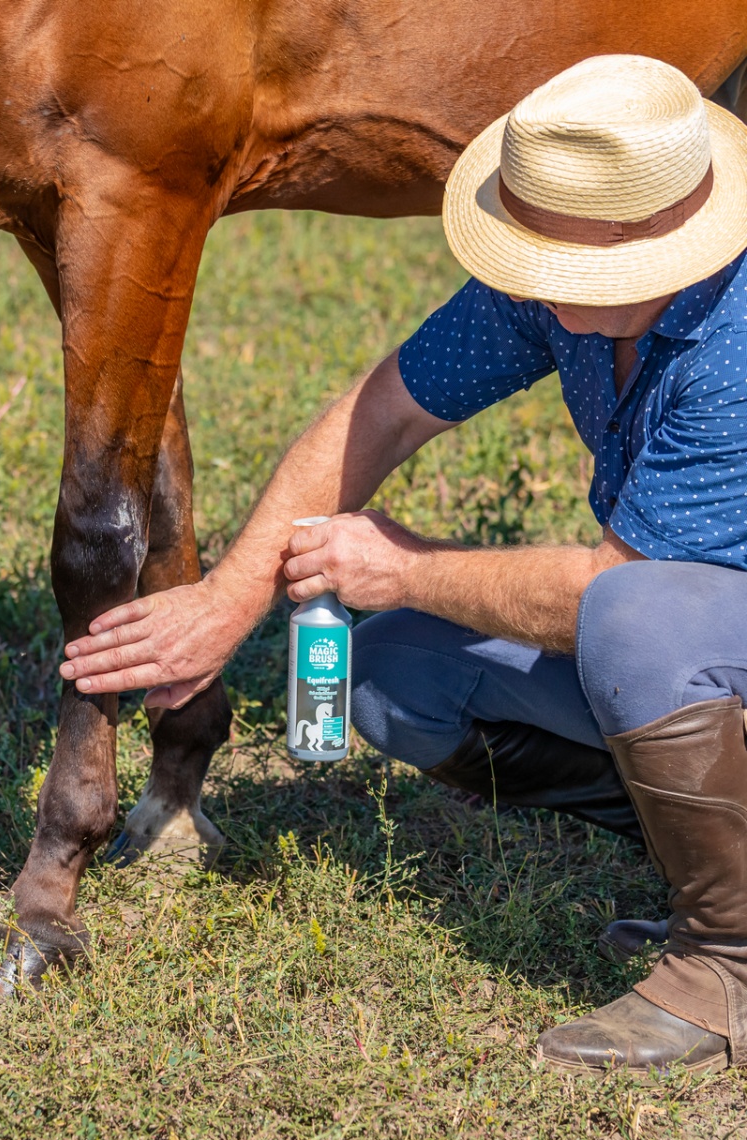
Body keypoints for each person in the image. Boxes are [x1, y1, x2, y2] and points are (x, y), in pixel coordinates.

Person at [58, 54, 747, 1075]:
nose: (545, 295)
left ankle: (727, 961)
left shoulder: (733, 345)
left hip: (688, 624)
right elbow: (380, 411)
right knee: (395, 677)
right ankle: (705, 859)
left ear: (655, 242)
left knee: (635, 621)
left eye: (572, 272)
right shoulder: (558, 281)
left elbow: (605, 591)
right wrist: (227, 600)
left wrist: (409, 567)